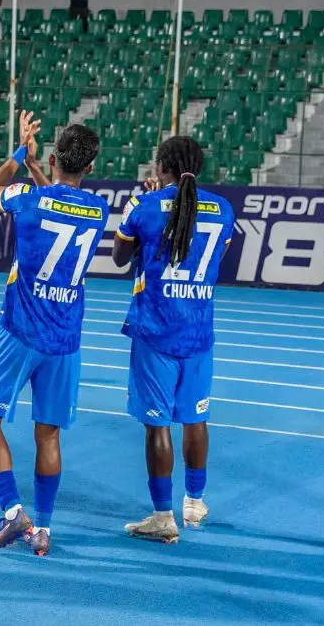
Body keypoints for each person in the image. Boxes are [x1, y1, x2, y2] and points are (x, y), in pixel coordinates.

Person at [0, 113, 105, 557]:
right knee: (48, 435)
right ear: (90, 167)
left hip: (20, 330)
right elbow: (62, 202)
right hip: (65, 340)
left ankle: (13, 512)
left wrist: (20, 155)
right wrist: (37, 167)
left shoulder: (27, 198)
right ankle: (44, 528)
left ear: (54, 159)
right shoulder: (98, 210)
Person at [111, 135, 234, 544]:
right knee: (196, 418)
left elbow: (119, 258)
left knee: (157, 424)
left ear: (161, 167)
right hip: (198, 332)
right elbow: (214, 257)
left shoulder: (143, 206)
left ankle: (163, 517)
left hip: (156, 331)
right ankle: (194, 502)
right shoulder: (223, 209)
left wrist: (146, 203)